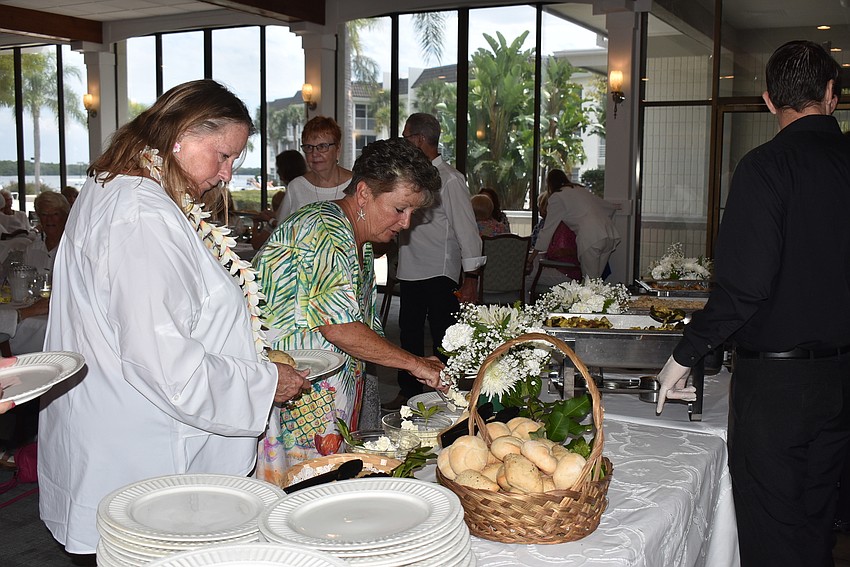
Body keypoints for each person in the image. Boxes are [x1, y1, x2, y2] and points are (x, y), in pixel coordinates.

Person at [37, 79, 312, 559]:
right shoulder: (140, 213)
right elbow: (162, 362)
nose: (226, 174)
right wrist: (263, 384)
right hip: (145, 444)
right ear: (181, 133)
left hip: (118, 420)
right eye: (223, 155)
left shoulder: (119, 189)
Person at [656, 40, 850, 567]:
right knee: (816, 529)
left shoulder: (764, 168)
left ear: (768, 101)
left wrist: (683, 356)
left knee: (770, 536)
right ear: (832, 94)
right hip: (841, 380)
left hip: (777, 391)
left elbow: (744, 288)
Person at [253, 137, 445, 474]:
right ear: (364, 193)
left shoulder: (360, 240)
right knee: (300, 494)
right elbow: (339, 327)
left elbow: (361, 325)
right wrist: (414, 364)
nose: (406, 223)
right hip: (295, 396)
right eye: (400, 209)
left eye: (414, 212)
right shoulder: (324, 229)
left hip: (323, 396)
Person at [388, 113, 485, 410]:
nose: (404, 142)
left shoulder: (450, 179)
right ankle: (409, 392)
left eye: (406, 137)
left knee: (444, 336)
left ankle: (446, 393)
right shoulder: (409, 179)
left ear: (418, 139)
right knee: (409, 334)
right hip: (410, 269)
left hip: (439, 271)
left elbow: (467, 231)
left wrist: (471, 277)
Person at [530, 176, 619, 279]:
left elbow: (547, 231)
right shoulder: (579, 190)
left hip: (591, 238)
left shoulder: (557, 197)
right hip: (609, 235)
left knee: (589, 282)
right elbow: (609, 207)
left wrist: (531, 258)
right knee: (596, 282)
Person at [275, 116, 353, 223]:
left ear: (338, 149)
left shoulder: (357, 185)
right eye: (309, 147)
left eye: (322, 146)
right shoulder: (296, 187)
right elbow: (282, 233)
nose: (315, 154)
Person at [251, 150, 308, 250]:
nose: (277, 172)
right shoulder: (303, 191)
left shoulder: (289, 193)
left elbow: (257, 244)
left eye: (279, 168)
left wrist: (258, 222)